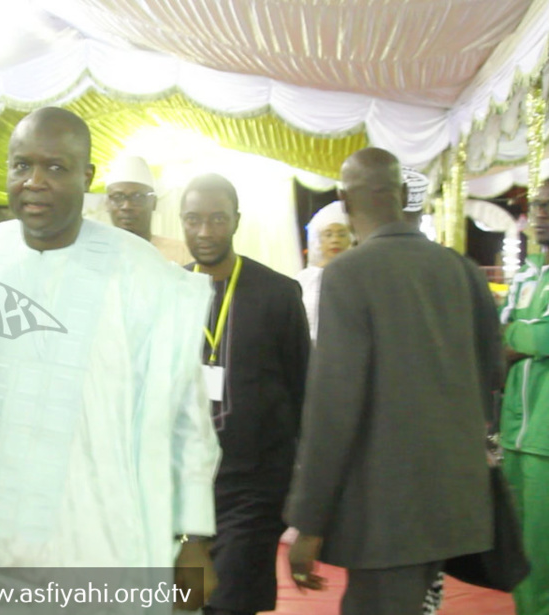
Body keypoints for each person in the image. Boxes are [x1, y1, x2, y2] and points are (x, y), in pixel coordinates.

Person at [0, 107, 220, 610]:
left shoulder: (143, 276)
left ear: (87, 177)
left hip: (98, 538)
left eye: (55, 168)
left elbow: (186, 412)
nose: (35, 182)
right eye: (21, 166)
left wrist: (192, 536)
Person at [285, 148, 502, 615]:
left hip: (386, 511)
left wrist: (309, 521)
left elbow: (333, 408)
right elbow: (491, 375)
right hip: (454, 501)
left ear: (344, 199)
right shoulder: (460, 269)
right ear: (403, 195)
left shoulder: (348, 275)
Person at [179, 173, 310, 615]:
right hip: (181, 483)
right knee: (183, 602)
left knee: (232, 602)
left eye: (217, 219)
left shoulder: (277, 293)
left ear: (236, 220)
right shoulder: (167, 292)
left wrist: (301, 488)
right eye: (193, 220)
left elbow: (302, 389)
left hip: (252, 486)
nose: (204, 231)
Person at [499, 178, 549, 615]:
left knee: (540, 551)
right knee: (519, 550)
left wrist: (516, 337)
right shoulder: (529, 271)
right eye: (537, 204)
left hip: (546, 439)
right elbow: (502, 331)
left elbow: (542, 335)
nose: (542, 212)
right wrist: (522, 337)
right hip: (515, 432)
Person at [105, 155, 193, 265]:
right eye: (118, 197)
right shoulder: (93, 253)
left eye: (137, 197)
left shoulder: (182, 253)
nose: (126, 206)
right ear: (107, 203)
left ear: (154, 202)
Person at [295, 201, 353, 343]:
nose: (335, 240)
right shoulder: (305, 278)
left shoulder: (359, 276)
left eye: (341, 234)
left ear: (350, 239)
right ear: (318, 241)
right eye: (328, 234)